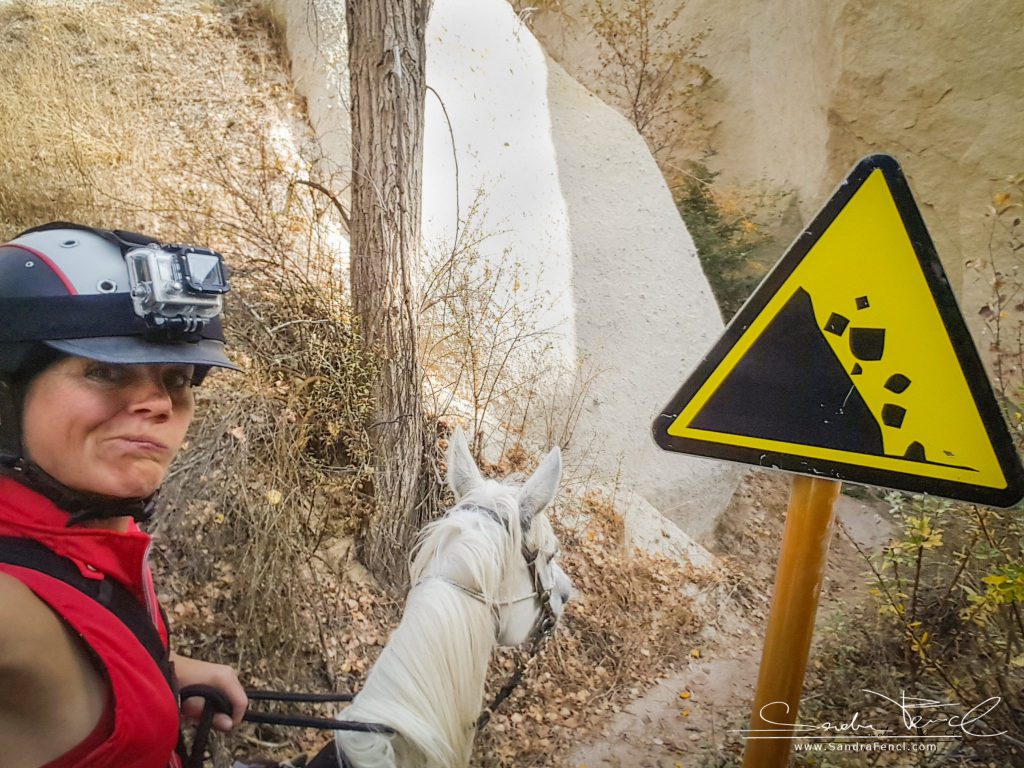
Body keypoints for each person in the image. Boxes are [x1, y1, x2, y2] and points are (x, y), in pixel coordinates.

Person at [0, 222, 249, 768]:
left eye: (176, 379)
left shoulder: (94, 532)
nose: (158, 404)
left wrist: (162, 668)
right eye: (106, 370)